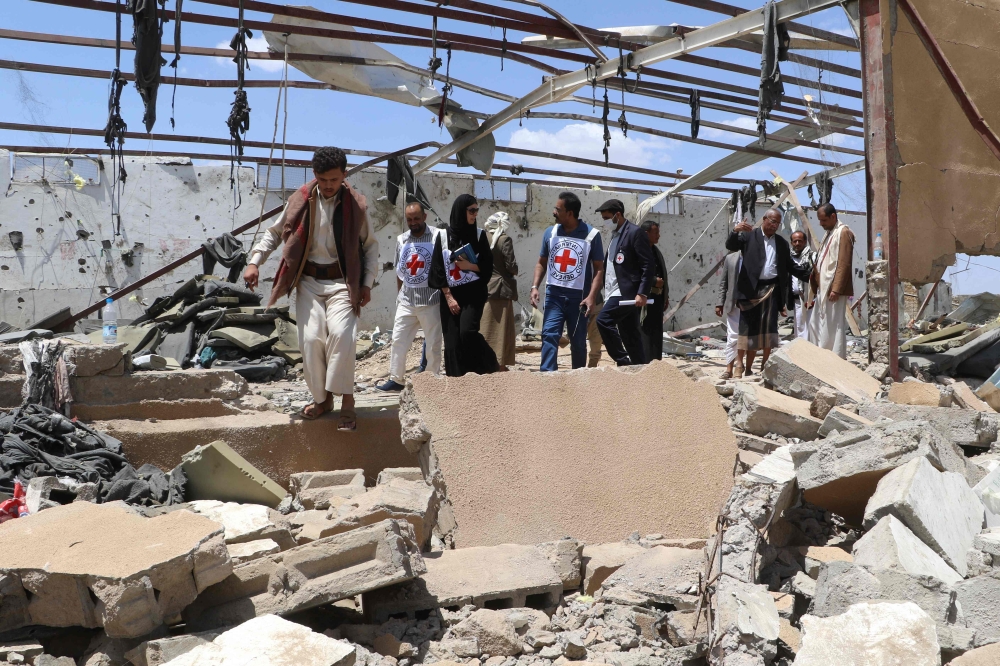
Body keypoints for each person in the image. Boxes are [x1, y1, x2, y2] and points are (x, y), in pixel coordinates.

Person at [244, 147, 379, 430]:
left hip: (343, 282)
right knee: (310, 339)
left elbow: (370, 247)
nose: (329, 185)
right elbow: (274, 233)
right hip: (308, 282)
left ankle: (348, 399)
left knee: (343, 334)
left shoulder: (356, 205)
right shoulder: (300, 200)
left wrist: (366, 283)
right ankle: (322, 400)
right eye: (323, 179)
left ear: (344, 175)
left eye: (334, 179)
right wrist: (255, 262)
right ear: (314, 175)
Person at [725, 208, 811, 377]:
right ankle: (739, 365)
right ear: (764, 219)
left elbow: (789, 266)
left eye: (777, 223)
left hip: (771, 290)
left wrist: (811, 275)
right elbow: (730, 245)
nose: (774, 226)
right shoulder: (749, 236)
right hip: (750, 290)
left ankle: (765, 364)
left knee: (769, 330)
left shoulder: (781, 243)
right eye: (772, 221)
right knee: (746, 329)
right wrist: (735, 231)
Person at [529, 192, 605, 371]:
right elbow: (541, 263)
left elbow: (599, 269)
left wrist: (592, 297)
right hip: (554, 296)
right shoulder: (551, 232)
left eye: (558, 209)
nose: (554, 212)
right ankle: (548, 377)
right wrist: (535, 286)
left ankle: (577, 380)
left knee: (578, 342)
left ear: (569, 213)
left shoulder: (592, 235)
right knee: (549, 335)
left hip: (579, 300)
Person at [376, 200, 444, 392]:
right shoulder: (402, 240)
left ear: (424, 217)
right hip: (407, 300)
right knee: (398, 340)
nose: (413, 222)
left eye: (416, 218)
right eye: (409, 219)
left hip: (431, 300)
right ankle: (396, 379)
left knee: (432, 343)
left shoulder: (438, 236)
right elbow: (400, 271)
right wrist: (399, 297)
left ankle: (431, 381)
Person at [429, 194, 499, 376]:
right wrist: (449, 297)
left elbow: (487, 267)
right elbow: (437, 268)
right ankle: (456, 382)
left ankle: (489, 365)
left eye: (477, 210)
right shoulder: (443, 236)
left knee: (467, 333)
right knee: (452, 342)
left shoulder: (479, 235)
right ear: (461, 211)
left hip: (473, 295)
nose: (475, 214)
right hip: (450, 295)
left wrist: (469, 266)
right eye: (471, 210)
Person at [595, 199, 657, 366]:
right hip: (613, 292)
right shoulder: (615, 235)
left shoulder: (635, 233)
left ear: (618, 215)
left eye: (607, 217)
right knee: (629, 334)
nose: (605, 221)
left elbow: (648, 264)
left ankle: (623, 361)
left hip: (626, 293)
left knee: (603, 320)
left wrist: (642, 292)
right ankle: (639, 369)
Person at [808, 203, 855, 358]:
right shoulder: (830, 232)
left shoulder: (843, 232)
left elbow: (844, 263)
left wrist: (836, 288)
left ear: (833, 217)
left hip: (833, 289)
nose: (821, 224)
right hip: (824, 287)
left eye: (823, 220)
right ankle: (820, 356)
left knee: (833, 325)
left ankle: (834, 359)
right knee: (817, 324)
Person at [482, 211, 519, 369]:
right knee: (502, 329)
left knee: (485, 326)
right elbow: (511, 266)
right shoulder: (505, 239)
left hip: (485, 287)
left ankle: (483, 360)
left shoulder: (482, 237)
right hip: (501, 289)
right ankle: (500, 363)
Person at [639, 219, 670, 362]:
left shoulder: (656, 251)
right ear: (646, 234)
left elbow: (663, 274)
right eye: (655, 232)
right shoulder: (638, 251)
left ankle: (656, 364)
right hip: (643, 299)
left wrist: (665, 296)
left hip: (657, 300)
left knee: (656, 333)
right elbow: (635, 273)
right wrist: (653, 281)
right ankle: (645, 363)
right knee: (645, 332)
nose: (658, 235)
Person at [715, 250, 742, 379]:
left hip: (751, 305)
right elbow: (723, 282)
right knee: (732, 337)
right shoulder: (730, 258)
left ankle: (742, 368)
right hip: (733, 305)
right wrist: (719, 303)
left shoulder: (757, 257)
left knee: (747, 338)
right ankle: (729, 369)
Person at [789, 230, 815, 341]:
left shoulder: (812, 256)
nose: (797, 243)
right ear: (791, 243)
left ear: (805, 241)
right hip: (795, 300)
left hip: (810, 299)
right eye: (795, 241)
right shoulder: (789, 258)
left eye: (800, 241)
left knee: (811, 326)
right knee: (799, 327)